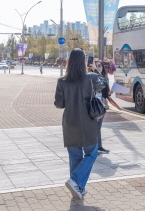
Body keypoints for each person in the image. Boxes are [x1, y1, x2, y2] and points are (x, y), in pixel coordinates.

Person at [54, 48, 106, 200]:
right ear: (84, 61)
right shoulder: (91, 78)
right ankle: (76, 180)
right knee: (92, 153)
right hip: (88, 122)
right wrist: (96, 69)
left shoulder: (62, 81)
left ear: (69, 62)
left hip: (69, 123)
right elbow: (104, 84)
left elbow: (59, 104)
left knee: (75, 156)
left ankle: (78, 188)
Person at [93, 60, 111, 153]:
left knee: (98, 127)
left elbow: (106, 92)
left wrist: (110, 93)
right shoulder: (91, 77)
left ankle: (99, 146)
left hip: (102, 105)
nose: (98, 67)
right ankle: (95, 147)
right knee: (95, 126)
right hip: (94, 105)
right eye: (96, 66)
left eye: (100, 66)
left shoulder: (105, 78)